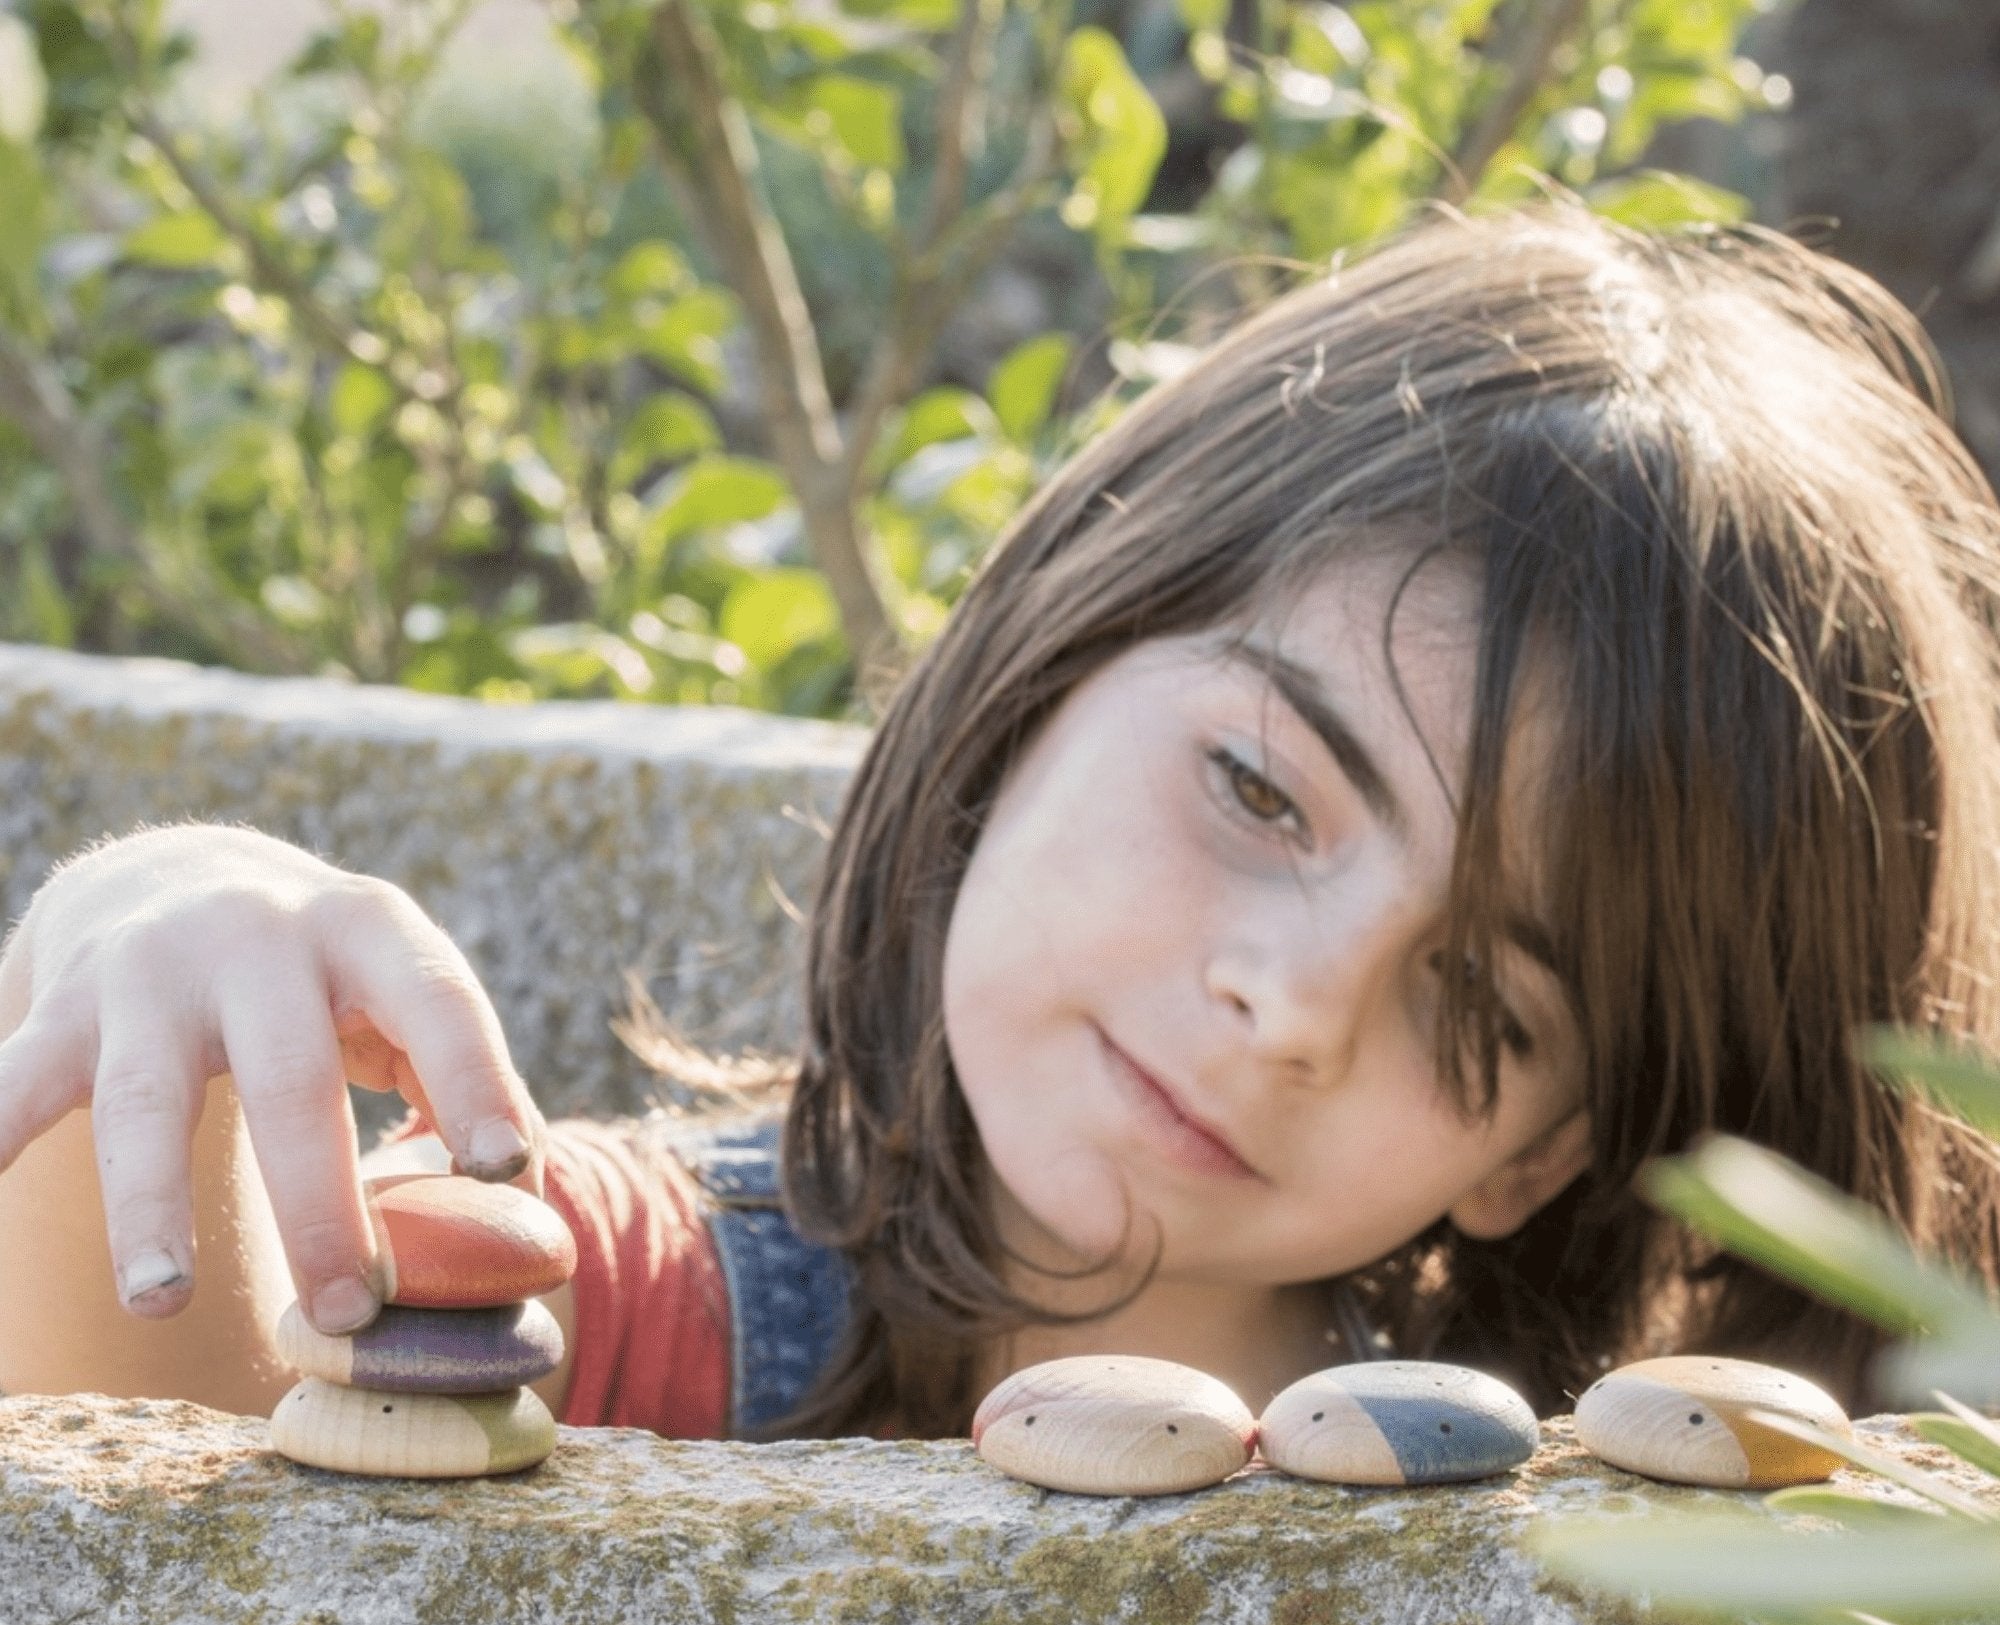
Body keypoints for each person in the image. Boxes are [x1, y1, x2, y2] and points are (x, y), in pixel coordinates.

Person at [3, 201, 1998, 1438]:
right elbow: (150, 1497)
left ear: (1545, 1145)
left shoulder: (1589, 1485)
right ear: (1045, 672)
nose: (1295, 1005)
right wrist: (169, 910)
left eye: (1484, 1001)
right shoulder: (610, 1302)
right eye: (1259, 788)